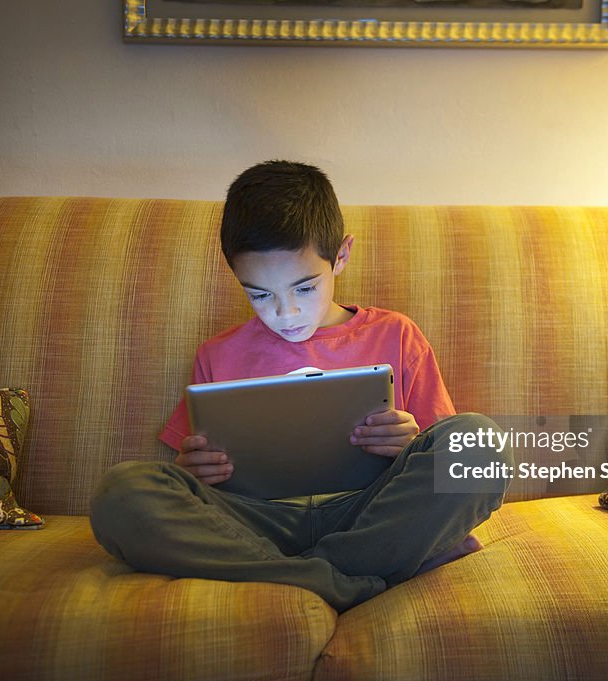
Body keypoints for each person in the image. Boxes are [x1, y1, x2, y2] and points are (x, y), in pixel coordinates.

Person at [90, 161, 511, 611]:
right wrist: (196, 471)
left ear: (342, 257)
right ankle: (350, 578)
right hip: (256, 521)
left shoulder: (397, 334)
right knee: (122, 492)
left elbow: (440, 454)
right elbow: (193, 474)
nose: (285, 313)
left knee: (477, 442)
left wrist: (410, 441)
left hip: (369, 513)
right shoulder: (217, 354)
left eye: (305, 288)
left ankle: (300, 574)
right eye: (259, 294)